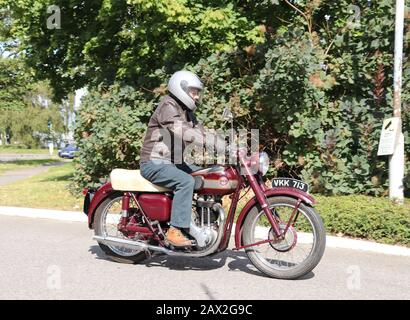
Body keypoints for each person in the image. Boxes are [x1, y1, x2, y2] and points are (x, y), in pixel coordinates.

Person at [139, 70, 223, 247]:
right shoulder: (168, 107)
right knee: (185, 181)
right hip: (153, 163)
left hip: (174, 162)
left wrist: (227, 145)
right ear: (180, 88)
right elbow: (183, 131)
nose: (197, 96)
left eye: (197, 92)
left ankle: (205, 223)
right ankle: (175, 230)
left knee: (210, 174)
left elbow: (201, 133)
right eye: (193, 92)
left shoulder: (187, 112)